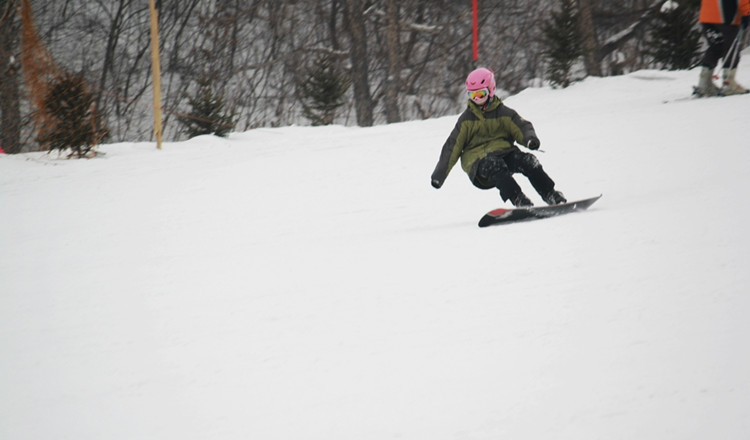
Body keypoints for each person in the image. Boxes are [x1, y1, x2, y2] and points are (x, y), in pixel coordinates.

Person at [430, 67, 566, 207]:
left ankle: (550, 194)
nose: (477, 99)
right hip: (478, 161)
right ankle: (518, 198)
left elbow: (521, 126)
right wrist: (439, 176)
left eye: (481, 94)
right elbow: (452, 147)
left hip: (504, 153)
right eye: (472, 95)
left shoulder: (504, 113)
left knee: (529, 161)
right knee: (494, 164)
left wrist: (530, 139)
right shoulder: (466, 120)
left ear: (491, 90)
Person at [695, 0, 750, 96]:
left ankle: (704, 83)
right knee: (732, 48)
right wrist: (747, 13)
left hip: (707, 15)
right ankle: (728, 83)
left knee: (715, 47)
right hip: (725, 16)